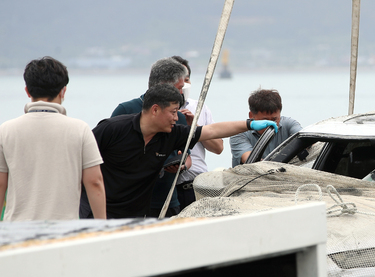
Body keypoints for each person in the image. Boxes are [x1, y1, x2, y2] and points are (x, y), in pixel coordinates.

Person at [89, 83, 276, 219]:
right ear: (155, 110)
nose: (176, 117)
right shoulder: (112, 129)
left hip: (137, 218)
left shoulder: (171, 135)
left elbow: (212, 131)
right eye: (172, 111)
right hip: (98, 214)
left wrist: (249, 124)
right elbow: (81, 160)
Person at [0, 57, 105, 221]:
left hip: (17, 232)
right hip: (63, 232)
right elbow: (94, 182)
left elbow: (1, 184)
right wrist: (102, 228)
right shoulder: (80, 129)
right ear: (63, 91)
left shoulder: (6, 130)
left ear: (27, 91)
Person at [109, 57, 190, 217]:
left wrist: (182, 166)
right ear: (164, 85)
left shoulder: (178, 117)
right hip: (129, 202)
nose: (181, 93)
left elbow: (186, 154)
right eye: (179, 87)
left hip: (167, 202)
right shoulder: (125, 110)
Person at [171, 55, 223, 209]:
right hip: (168, 187)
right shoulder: (156, 109)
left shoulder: (199, 107)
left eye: (187, 80)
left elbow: (218, 147)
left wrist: (195, 127)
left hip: (195, 186)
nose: (184, 84)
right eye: (179, 80)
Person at [229, 89, 302, 166]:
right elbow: (249, 159)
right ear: (251, 115)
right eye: (265, 120)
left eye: (274, 119)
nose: (270, 124)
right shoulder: (238, 133)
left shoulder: (290, 124)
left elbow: (306, 141)